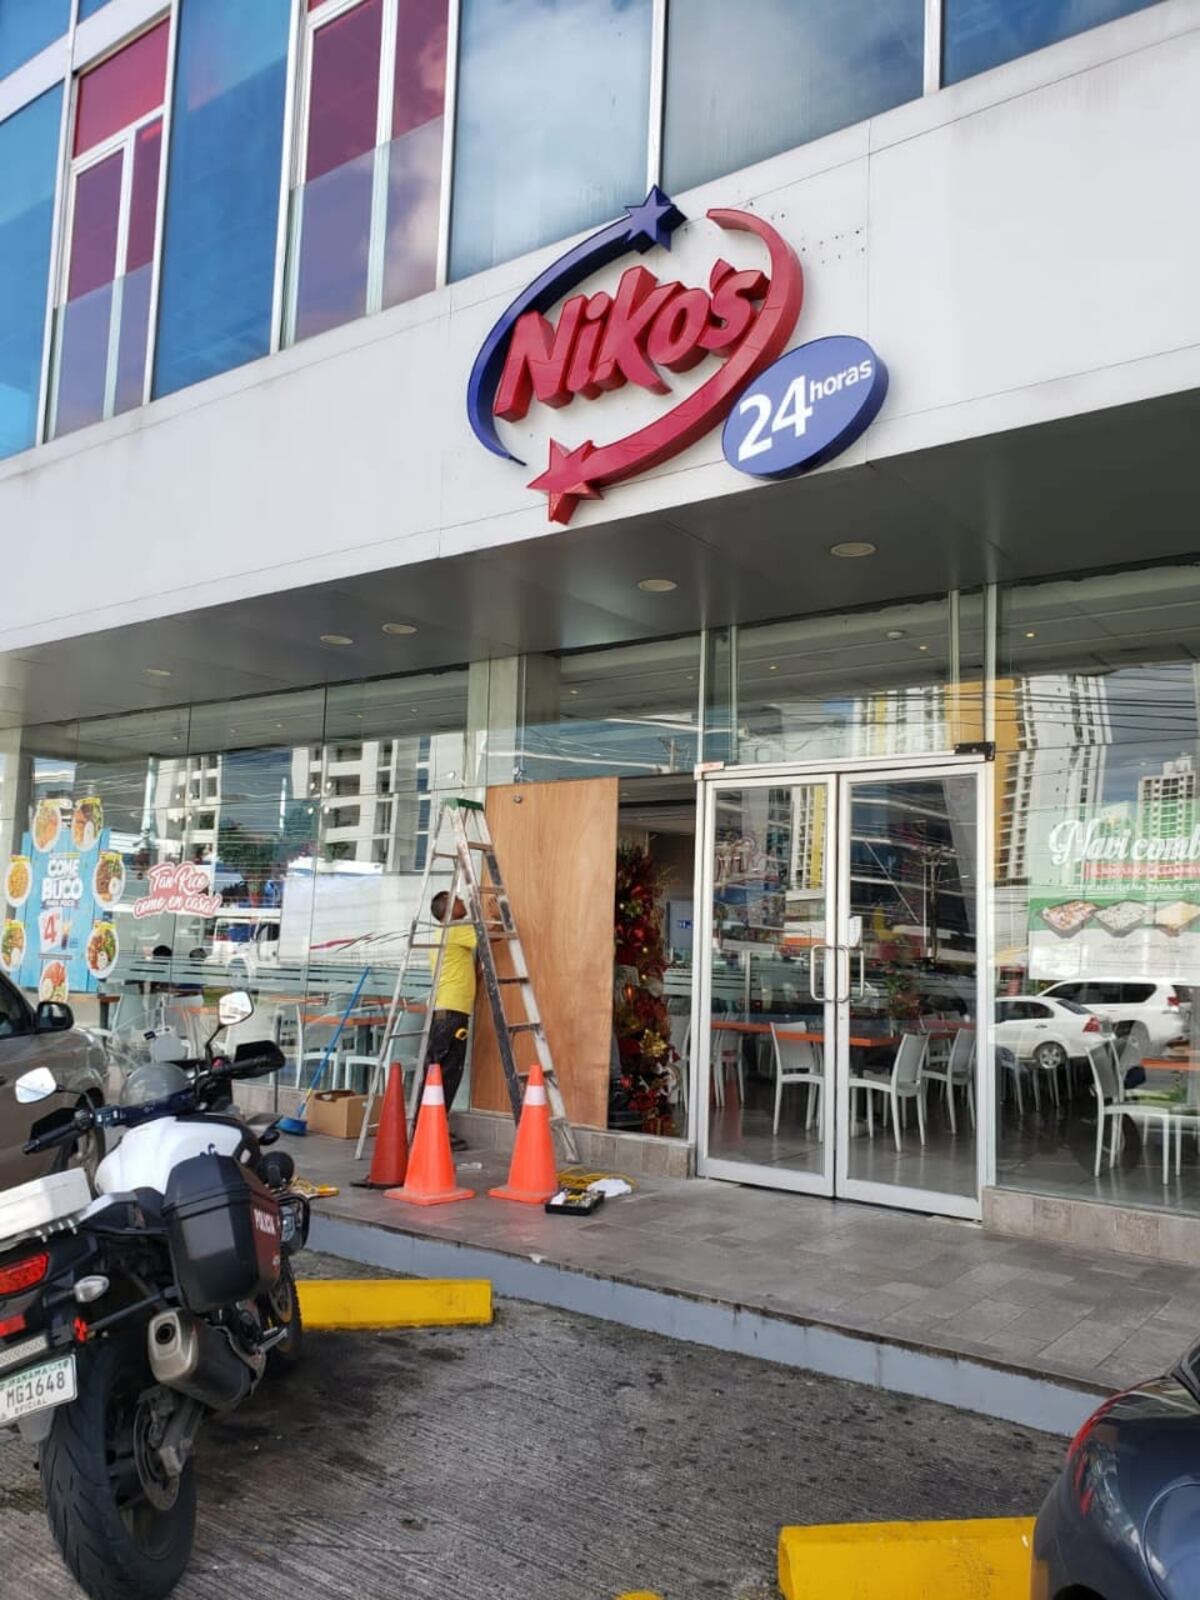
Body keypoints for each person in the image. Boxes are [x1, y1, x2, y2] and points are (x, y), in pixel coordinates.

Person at [424, 889, 477, 1147]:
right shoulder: (455, 928)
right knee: (447, 1073)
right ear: (448, 911)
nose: (462, 902)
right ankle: (434, 1132)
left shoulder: (444, 933)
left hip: (445, 1012)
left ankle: (430, 1128)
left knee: (438, 1072)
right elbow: (488, 938)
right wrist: (494, 913)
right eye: (457, 900)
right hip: (452, 1012)